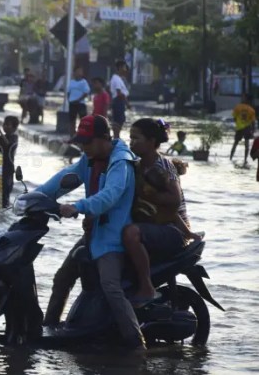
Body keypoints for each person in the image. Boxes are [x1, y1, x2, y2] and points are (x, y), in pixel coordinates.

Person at [37, 115, 145, 350]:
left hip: (113, 238)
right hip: (94, 234)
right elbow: (64, 180)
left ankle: (137, 344)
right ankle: (47, 332)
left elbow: (111, 195)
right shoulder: (89, 159)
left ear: (104, 138)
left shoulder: (121, 162)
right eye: (81, 142)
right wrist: (35, 197)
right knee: (62, 277)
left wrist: (79, 206)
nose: (83, 147)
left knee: (111, 287)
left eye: (87, 141)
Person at [124, 118, 201, 306]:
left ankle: (146, 287)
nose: (131, 142)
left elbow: (173, 200)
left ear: (151, 141)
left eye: (136, 138)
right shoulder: (138, 165)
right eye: (130, 138)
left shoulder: (162, 166)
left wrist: (147, 195)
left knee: (131, 233)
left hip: (173, 230)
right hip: (157, 225)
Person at [0, 116, 19, 208]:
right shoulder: (1, 137)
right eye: (4, 124)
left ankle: (6, 206)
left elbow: (8, 144)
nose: (5, 126)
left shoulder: (14, 138)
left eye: (7, 125)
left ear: (14, 128)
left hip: (8, 168)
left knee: (6, 190)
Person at [230, 94, 256, 165]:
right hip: (247, 128)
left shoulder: (238, 107)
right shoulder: (251, 110)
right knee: (246, 145)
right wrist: (253, 130)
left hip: (239, 128)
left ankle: (230, 158)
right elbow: (253, 122)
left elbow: (234, 118)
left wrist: (238, 123)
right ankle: (245, 160)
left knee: (235, 144)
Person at [110, 60, 131, 140]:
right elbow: (119, 93)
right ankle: (116, 138)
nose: (125, 70)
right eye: (124, 67)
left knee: (119, 120)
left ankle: (117, 137)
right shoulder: (116, 79)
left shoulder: (118, 79)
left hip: (118, 101)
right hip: (118, 101)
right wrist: (127, 103)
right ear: (120, 68)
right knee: (118, 121)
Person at [67, 66, 90, 137]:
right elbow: (68, 92)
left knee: (83, 120)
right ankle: (72, 136)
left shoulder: (84, 82)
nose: (79, 73)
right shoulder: (71, 82)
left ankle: (82, 135)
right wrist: (70, 100)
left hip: (81, 104)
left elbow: (86, 93)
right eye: (78, 71)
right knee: (72, 120)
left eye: (80, 71)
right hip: (72, 103)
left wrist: (78, 100)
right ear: (74, 73)